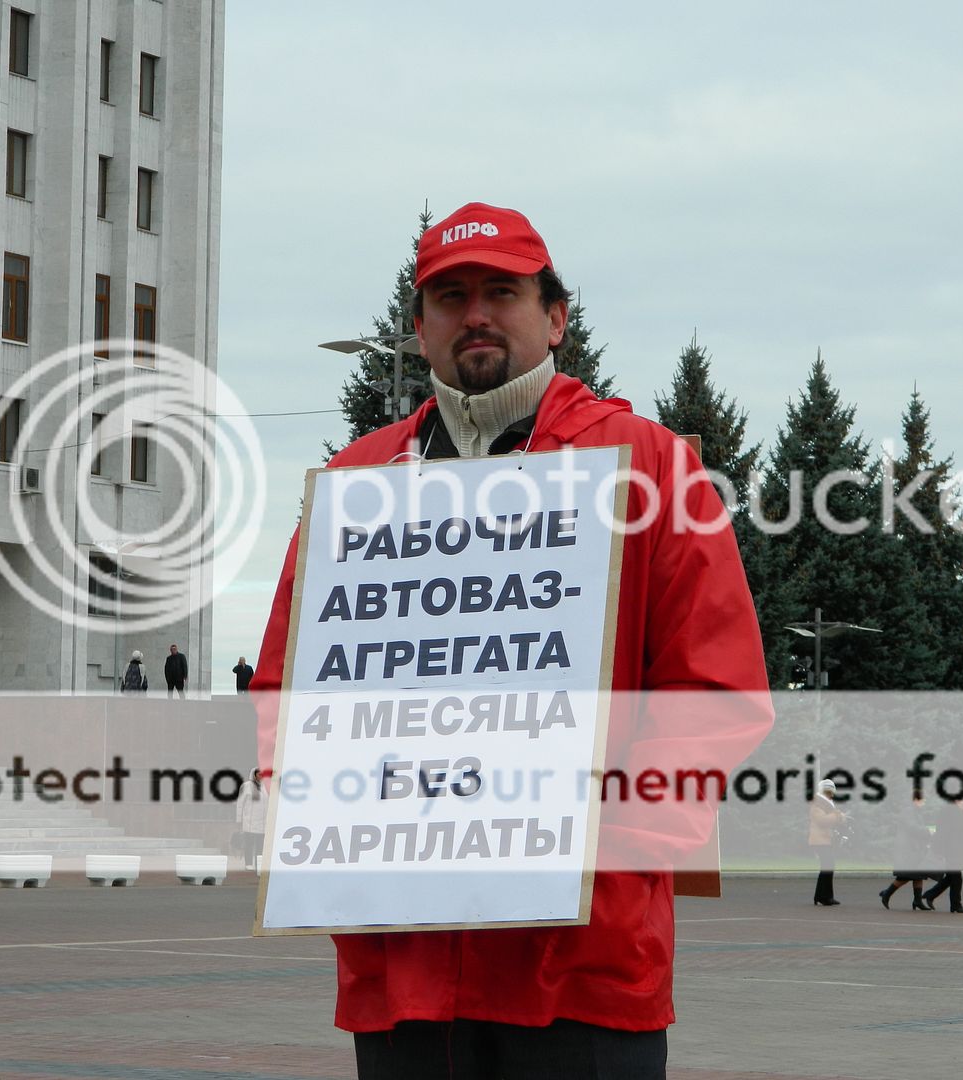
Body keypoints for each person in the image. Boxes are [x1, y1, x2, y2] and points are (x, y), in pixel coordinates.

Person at [252, 201, 772, 1078]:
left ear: (557, 317)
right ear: (419, 331)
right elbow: (286, 691)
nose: (477, 314)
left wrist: (584, 843)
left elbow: (713, 695)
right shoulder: (358, 480)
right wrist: (308, 808)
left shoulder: (648, 465)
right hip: (402, 961)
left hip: (579, 964)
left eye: (503, 290)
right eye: (450, 297)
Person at [880, 793, 933, 910]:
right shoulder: (908, 811)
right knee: (905, 876)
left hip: (915, 849)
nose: (924, 803)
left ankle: (917, 900)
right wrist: (927, 831)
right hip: (907, 849)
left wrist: (927, 834)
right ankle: (887, 894)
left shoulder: (916, 812)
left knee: (919, 875)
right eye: (922, 801)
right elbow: (912, 827)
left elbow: (917, 828)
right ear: (915, 800)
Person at [922, 797, 963, 913]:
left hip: (957, 849)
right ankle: (956, 904)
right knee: (956, 877)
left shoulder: (959, 812)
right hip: (951, 850)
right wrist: (943, 850)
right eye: (962, 801)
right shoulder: (949, 812)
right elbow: (944, 832)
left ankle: (930, 895)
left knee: (951, 877)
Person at [808, 779, 846, 906]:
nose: (832, 795)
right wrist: (837, 815)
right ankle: (824, 897)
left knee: (827, 866)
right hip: (819, 840)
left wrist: (839, 817)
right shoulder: (817, 804)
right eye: (829, 792)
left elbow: (834, 820)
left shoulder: (827, 804)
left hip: (825, 839)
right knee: (828, 866)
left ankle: (823, 896)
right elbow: (822, 821)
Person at [234, 767, 268, 873]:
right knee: (249, 843)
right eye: (258, 774)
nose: (260, 776)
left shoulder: (265, 787)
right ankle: (248, 863)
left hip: (262, 823)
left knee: (260, 845)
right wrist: (239, 820)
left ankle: (259, 864)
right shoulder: (246, 786)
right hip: (249, 822)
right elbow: (240, 804)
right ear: (253, 775)